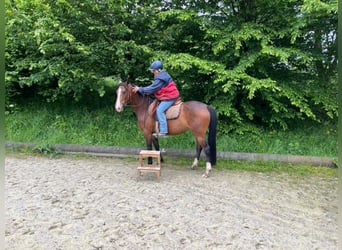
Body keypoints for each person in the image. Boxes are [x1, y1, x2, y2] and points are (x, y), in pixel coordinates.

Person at [132, 60, 180, 138]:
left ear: (158, 70)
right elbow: (154, 87)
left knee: (160, 110)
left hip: (170, 97)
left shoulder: (160, 79)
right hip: (169, 95)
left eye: (153, 71)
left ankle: (164, 131)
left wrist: (140, 89)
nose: (153, 72)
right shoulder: (163, 75)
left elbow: (152, 89)